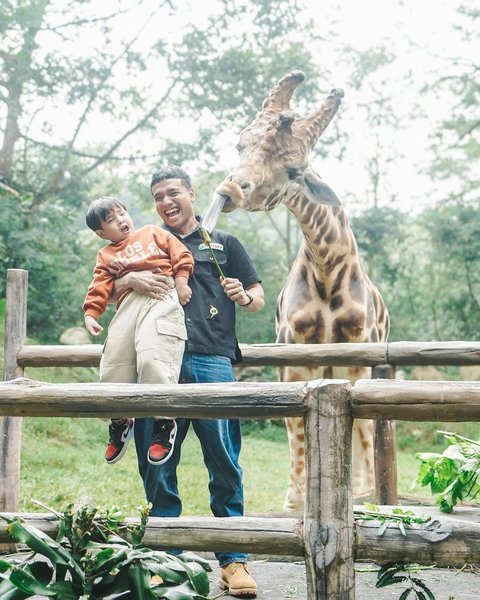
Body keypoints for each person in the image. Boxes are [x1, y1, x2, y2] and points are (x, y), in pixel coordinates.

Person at [115, 165, 265, 599]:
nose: (166, 202)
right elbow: (107, 280)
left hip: (212, 359)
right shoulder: (140, 243)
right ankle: (166, 558)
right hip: (157, 361)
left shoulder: (226, 243)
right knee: (157, 461)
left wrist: (243, 294)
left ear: (192, 194)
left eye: (173, 192)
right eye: (158, 195)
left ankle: (233, 561)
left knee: (224, 460)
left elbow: (257, 300)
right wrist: (130, 277)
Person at [83, 196, 194, 467]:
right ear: (101, 233)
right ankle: (120, 420)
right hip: (127, 306)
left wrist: (180, 284)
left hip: (160, 296)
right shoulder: (105, 255)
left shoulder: (153, 233)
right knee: (113, 365)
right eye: (111, 220)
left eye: (122, 213)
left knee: (152, 357)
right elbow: (100, 286)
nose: (121, 220)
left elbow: (182, 256)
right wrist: (90, 313)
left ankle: (164, 422)